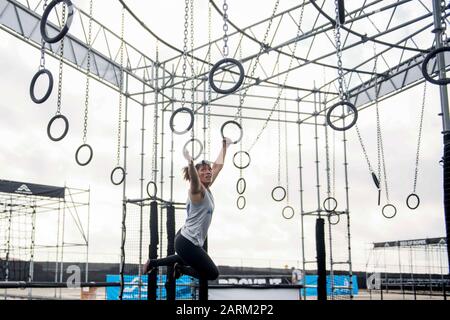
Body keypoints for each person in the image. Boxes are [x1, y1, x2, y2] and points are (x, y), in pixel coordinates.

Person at [142, 137, 233, 281]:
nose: (209, 172)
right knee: (213, 274)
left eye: (209, 170)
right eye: (204, 170)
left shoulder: (207, 187)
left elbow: (217, 167)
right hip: (187, 241)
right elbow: (194, 180)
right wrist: (190, 163)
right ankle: (181, 269)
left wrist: (225, 145)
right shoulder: (197, 191)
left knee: (185, 257)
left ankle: (153, 263)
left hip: (184, 238)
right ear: (197, 174)